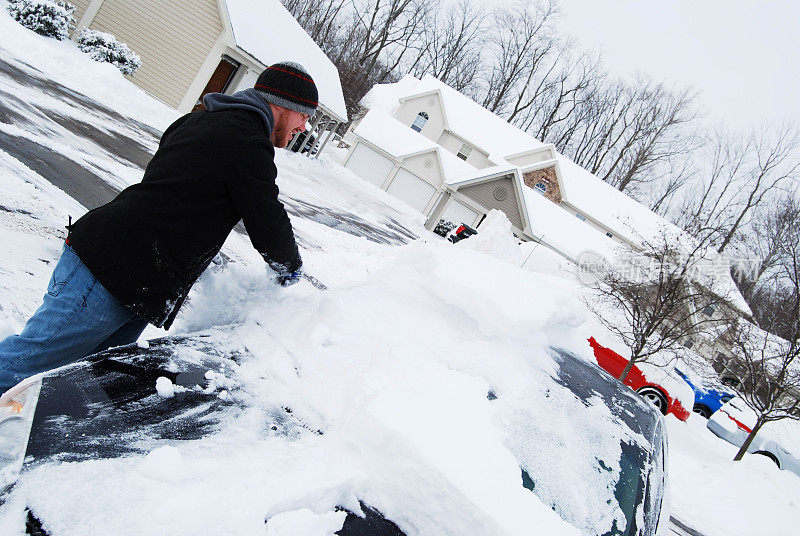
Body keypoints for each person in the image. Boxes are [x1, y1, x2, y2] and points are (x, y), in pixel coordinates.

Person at [0, 61, 317, 394]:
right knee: (29, 364)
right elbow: (267, 218)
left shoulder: (199, 121)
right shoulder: (247, 142)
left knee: (79, 385)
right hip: (111, 271)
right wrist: (290, 268)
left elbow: (172, 195)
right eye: (304, 116)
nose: (304, 127)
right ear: (283, 105)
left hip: (135, 282)